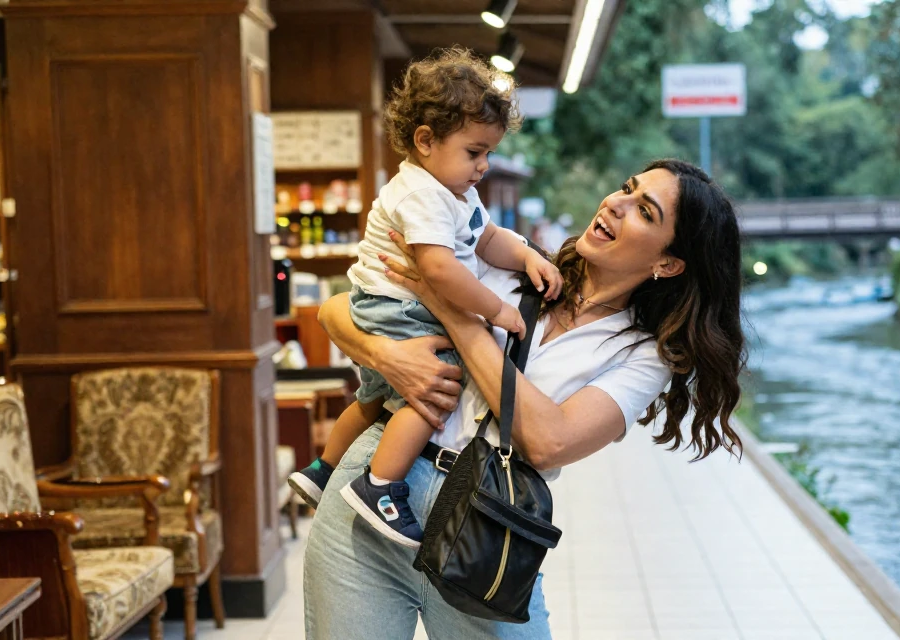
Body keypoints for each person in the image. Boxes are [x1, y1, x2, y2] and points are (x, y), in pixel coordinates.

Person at [304, 159, 748, 639]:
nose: (616, 204)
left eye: (644, 210)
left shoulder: (642, 354)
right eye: (626, 188)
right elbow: (336, 311)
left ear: (667, 264)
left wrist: (454, 313)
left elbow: (548, 441)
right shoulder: (516, 263)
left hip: (487, 531)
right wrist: (384, 355)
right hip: (375, 492)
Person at [287, 48, 562, 548]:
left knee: (373, 397)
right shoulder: (422, 194)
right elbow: (438, 270)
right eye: (474, 152)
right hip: (398, 308)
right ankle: (380, 486)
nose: (483, 166)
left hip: (386, 304)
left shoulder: (454, 191)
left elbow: (486, 238)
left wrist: (525, 255)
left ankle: (322, 470)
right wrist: (496, 309)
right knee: (435, 390)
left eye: (488, 154)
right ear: (426, 140)